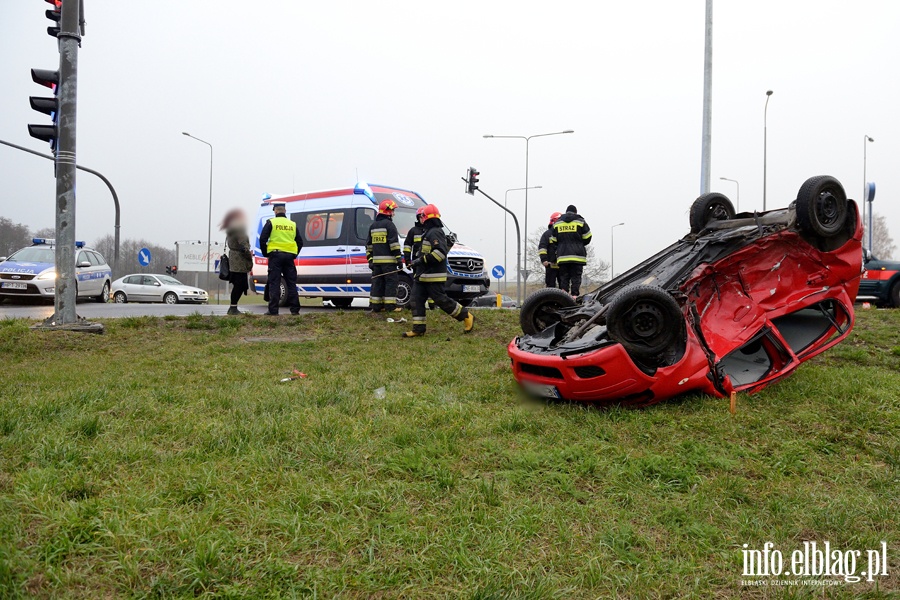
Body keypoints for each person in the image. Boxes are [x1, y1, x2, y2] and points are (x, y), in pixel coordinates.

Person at [402, 203, 475, 337]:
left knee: (441, 300)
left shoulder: (435, 232)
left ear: (427, 217)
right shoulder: (428, 232)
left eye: (423, 216)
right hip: (423, 276)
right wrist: (417, 262)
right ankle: (418, 329)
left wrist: (420, 260)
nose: (421, 219)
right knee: (416, 299)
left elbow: (440, 254)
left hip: (433, 276)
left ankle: (466, 315)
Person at [259, 202, 303, 315]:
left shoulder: (271, 223)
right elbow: (300, 242)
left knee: (275, 283)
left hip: (276, 256)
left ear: (275, 211)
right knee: (291, 283)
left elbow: (262, 239)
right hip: (289, 257)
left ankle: (273, 310)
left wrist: (266, 253)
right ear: (285, 211)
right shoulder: (292, 224)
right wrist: (294, 254)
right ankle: (295, 310)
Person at [366, 198, 403, 312]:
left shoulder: (373, 226)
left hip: (376, 264)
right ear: (388, 211)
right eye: (393, 211)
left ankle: (376, 306)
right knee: (391, 283)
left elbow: (368, 246)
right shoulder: (389, 225)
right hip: (389, 263)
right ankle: (390, 306)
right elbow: (394, 245)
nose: (394, 213)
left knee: (377, 283)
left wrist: (370, 260)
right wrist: (399, 260)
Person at [549, 204, 592, 296]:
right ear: (575, 212)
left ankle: (565, 297)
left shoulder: (557, 223)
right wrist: (579, 243)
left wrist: (560, 246)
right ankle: (574, 297)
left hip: (563, 256)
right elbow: (588, 237)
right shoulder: (580, 222)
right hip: (577, 257)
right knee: (576, 278)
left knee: (564, 278)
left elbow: (553, 240)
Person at [220, 209, 254, 315]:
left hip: (233, 260)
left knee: (238, 285)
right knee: (240, 285)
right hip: (240, 262)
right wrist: (249, 257)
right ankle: (233, 308)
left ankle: (233, 307)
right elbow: (244, 247)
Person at [403, 206, 434, 310]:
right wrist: (407, 260)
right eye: (421, 217)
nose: (423, 219)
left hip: (428, 262)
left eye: (424, 216)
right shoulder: (413, 231)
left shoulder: (431, 231)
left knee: (431, 283)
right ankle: (416, 303)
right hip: (417, 262)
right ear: (418, 218)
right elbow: (407, 246)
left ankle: (432, 305)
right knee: (418, 283)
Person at [538, 211, 561, 288]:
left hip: (563, 266)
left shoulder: (563, 234)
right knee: (550, 287)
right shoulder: (547, 234)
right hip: (551, 265)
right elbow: (542, 247)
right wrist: (544, 260)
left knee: (564, 289)